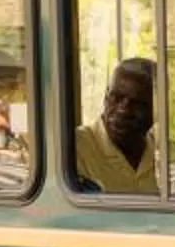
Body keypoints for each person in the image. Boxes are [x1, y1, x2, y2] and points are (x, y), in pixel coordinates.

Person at [69, 58, 162, 196]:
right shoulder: (76, 146)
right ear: (105, 97)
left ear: (157, 109)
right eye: (116, 98)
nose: (123, 110)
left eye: (137, 104)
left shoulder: (161, 151)